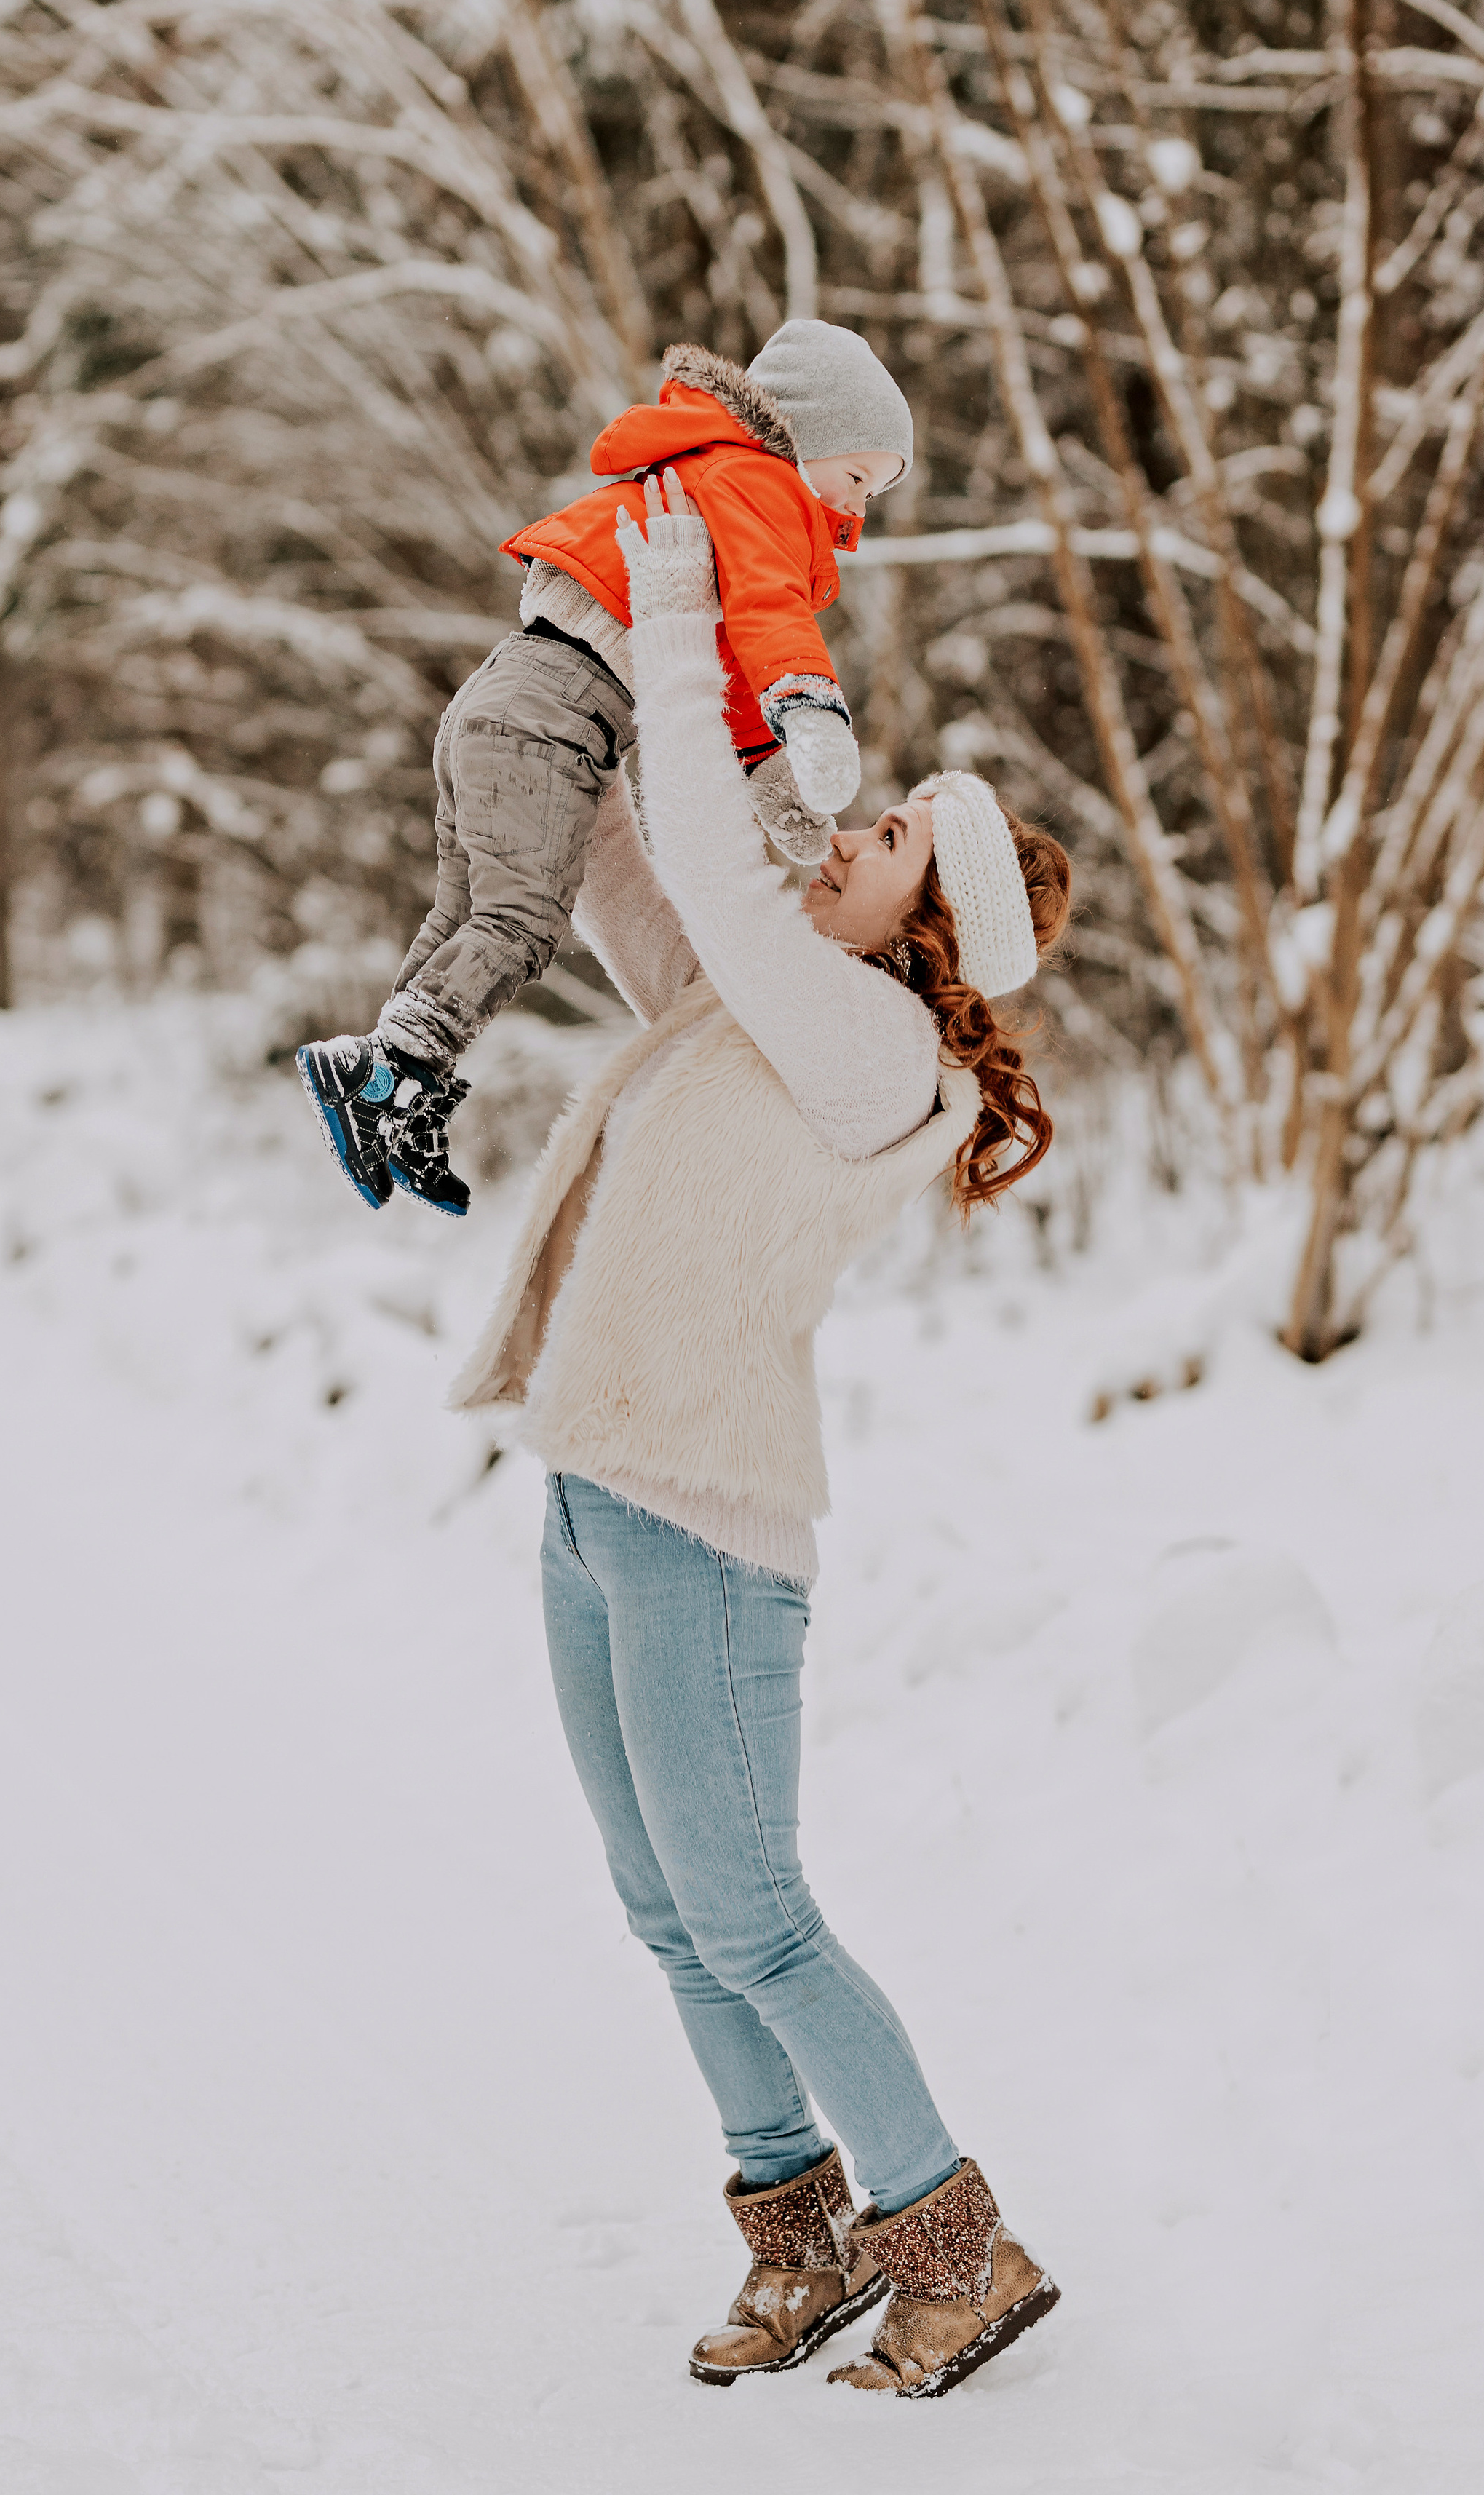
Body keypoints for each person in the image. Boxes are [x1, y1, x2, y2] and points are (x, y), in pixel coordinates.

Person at [449, 473, 1074, 2401]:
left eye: (884, 837)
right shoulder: (771, 1006)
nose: (843, 836)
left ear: (929, 926)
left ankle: (959, 2251)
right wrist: (603, 675)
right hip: (589, 1486)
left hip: (705, 1529)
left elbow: (725, 876)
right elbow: (652, 875)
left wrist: (675, 598)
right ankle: (795, 2232)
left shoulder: (876, 1051)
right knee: (662, 1909)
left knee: (751, 1913)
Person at [293, 322, 913, 1217]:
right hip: (556, 713)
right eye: (857, 477)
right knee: (524, 916)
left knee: (467, 907)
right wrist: (809, 704)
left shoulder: (711, 481)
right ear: (807, 435)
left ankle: (401, 1090)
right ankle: (390, 1071)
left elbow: (725, 663)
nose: (859, 507)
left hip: (504, 697)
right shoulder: (759, 480)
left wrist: (774, 785)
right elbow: (769, 616)